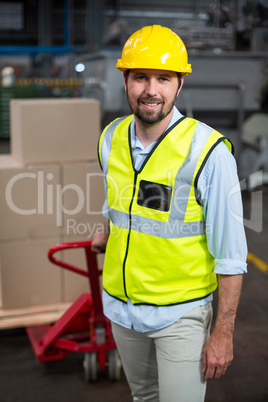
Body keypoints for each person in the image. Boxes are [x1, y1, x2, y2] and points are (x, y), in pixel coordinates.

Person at [92, 25, 247, 402]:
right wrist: (106, 230)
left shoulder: (208, 152)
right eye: (140, 77)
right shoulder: (111, 137)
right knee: (143, 398)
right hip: (121, 308)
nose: (151, 89)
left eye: (163, 78)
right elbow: (119, 200)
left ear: (180, 85)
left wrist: (223, 333)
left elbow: (231, 256)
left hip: (179, 317)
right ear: (125, 80)